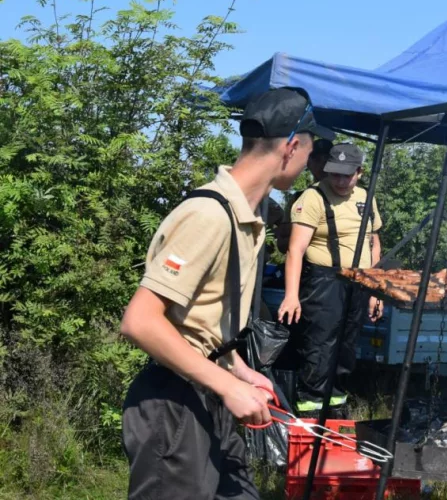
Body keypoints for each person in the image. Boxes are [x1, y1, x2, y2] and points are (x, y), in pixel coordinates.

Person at [120, 87, 319, 500]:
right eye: (310, 151)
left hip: (209, 394)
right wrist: (228, 386)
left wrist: (241, 374)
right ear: (292, 146)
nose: (309, 163)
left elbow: (205, 320)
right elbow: (139, 321)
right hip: (173, 405)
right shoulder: (208, 214)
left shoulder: (247, 216)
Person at [278, 142, 382, 414]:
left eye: (346, 175)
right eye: (334, 173)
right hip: (324, 283)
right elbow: (295, 250)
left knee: (346, 349)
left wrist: (374, 291)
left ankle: (336, 410)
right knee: (320, 348)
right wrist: (291, 296)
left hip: (359, 282)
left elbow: (374, 244)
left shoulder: (366, 197)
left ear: (359, 172)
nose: (339, 180)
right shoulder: (312, 197)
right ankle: (310, 414)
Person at [275, 138, 334, 255]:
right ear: (309, 162)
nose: (322, 165)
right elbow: (282, 244)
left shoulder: (348, 197)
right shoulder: (298, 198)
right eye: (317, 159)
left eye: (326, 159)